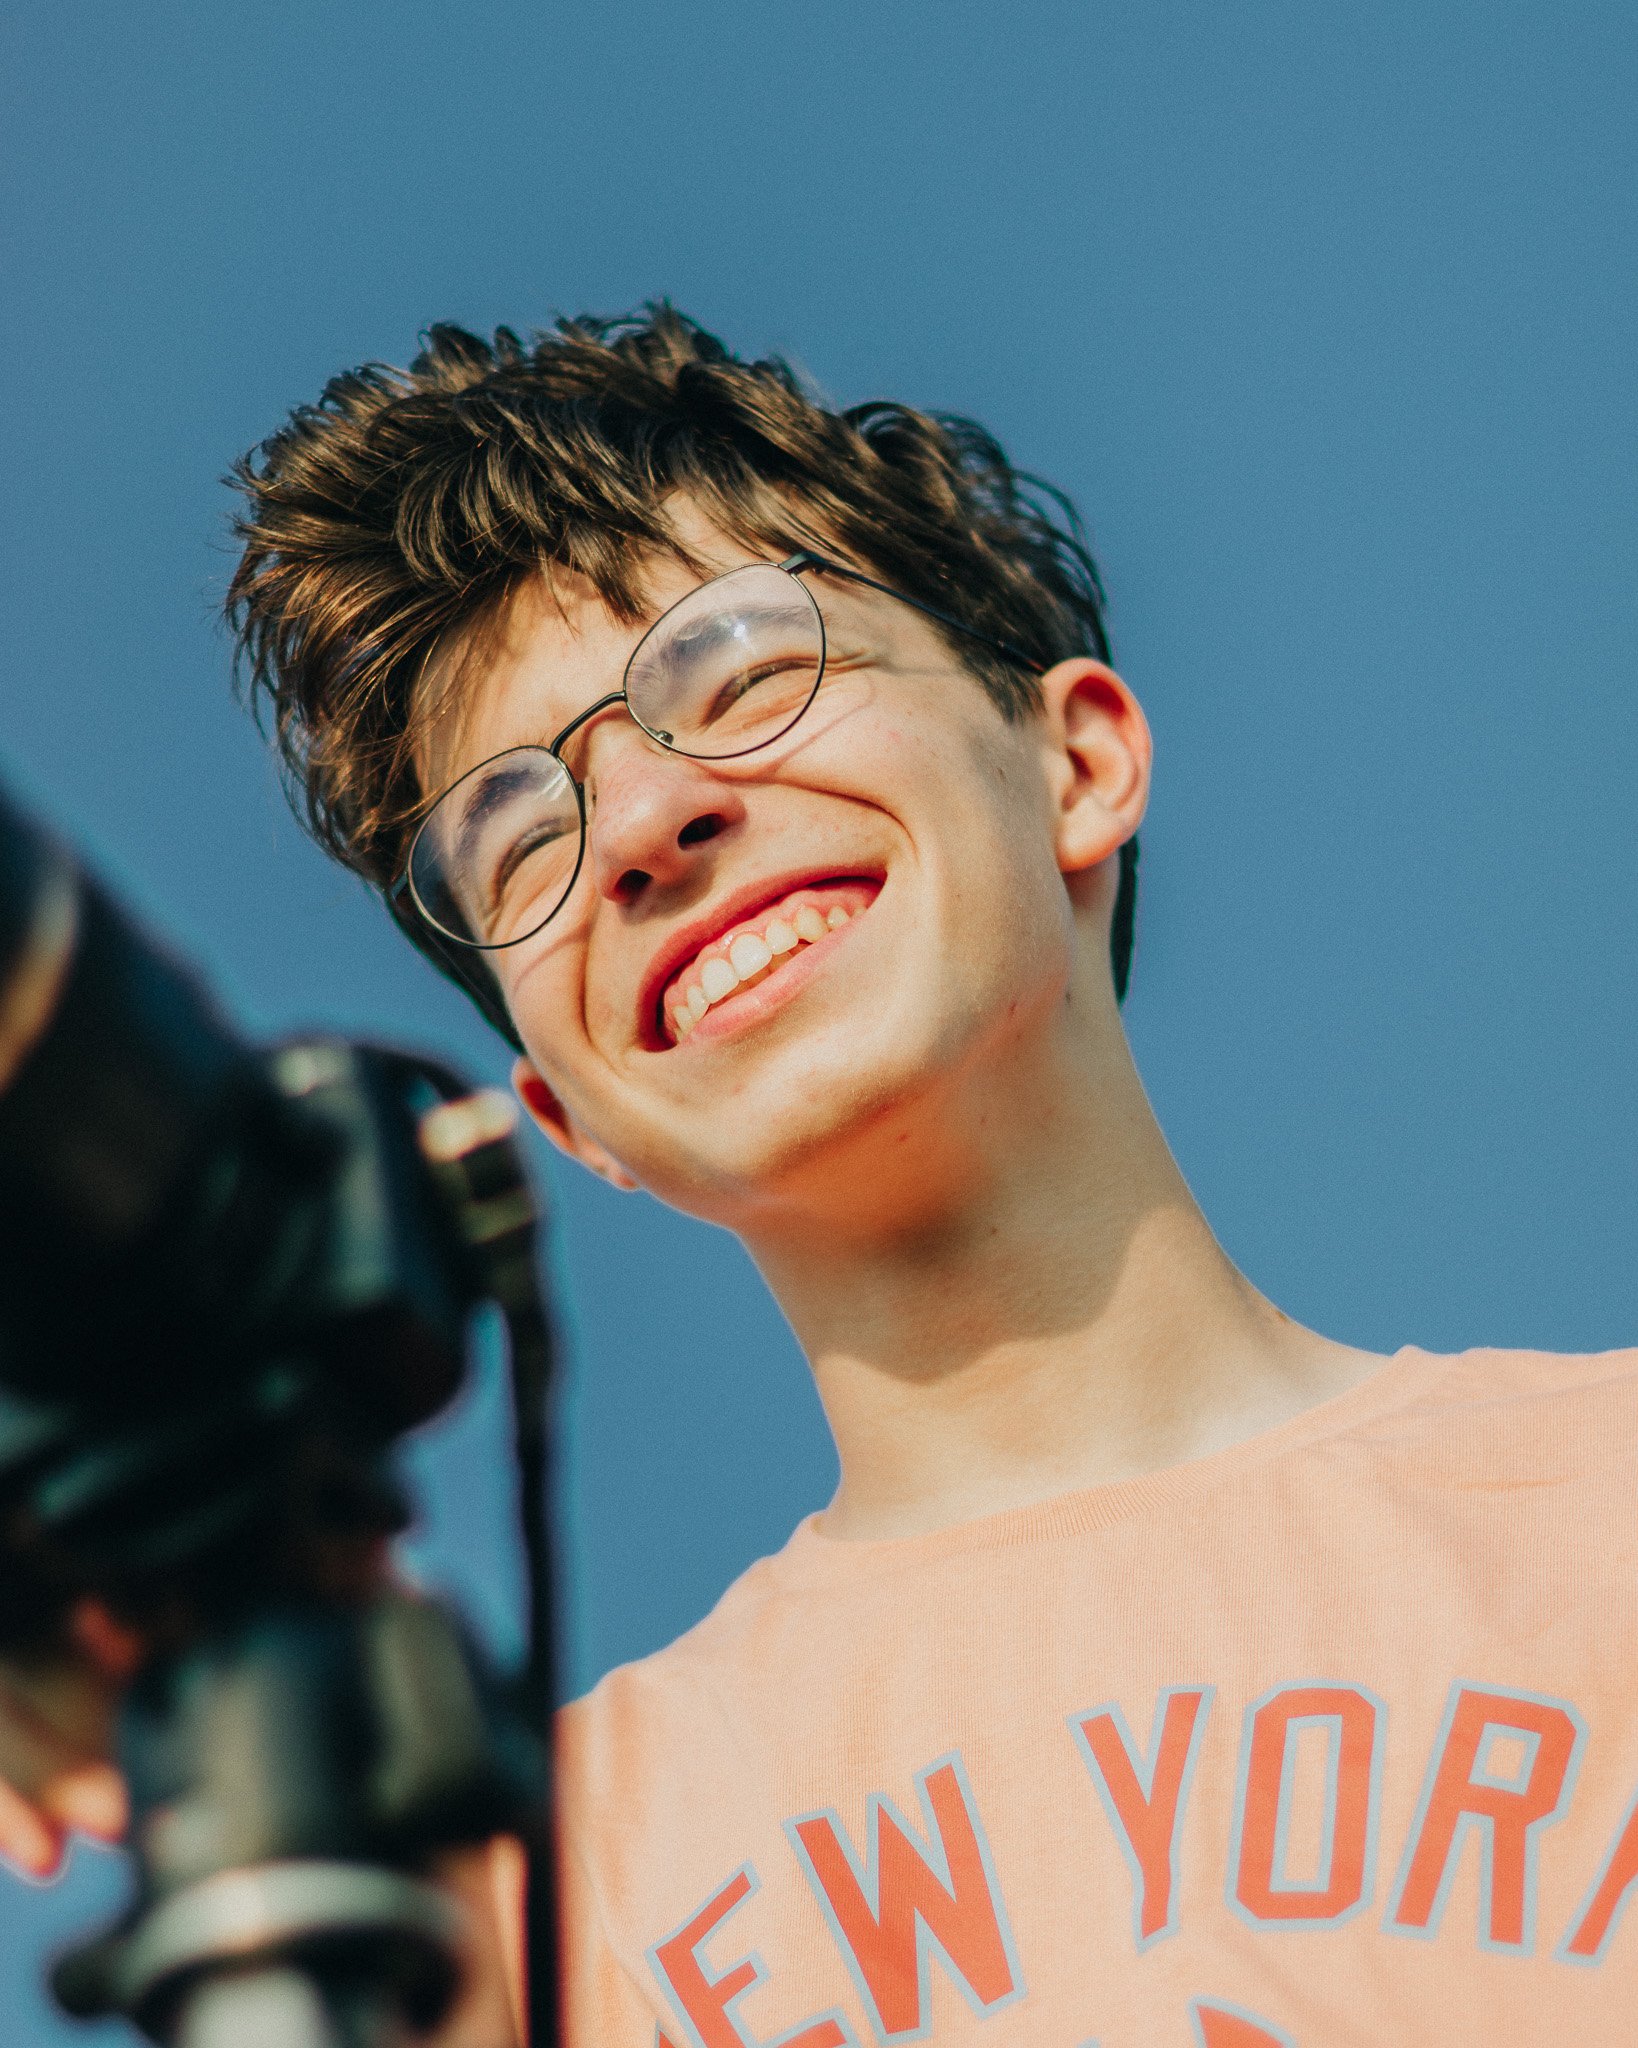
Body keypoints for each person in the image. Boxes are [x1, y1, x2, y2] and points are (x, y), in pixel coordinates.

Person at [7, 306, 1638, 2045]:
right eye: (519, 837)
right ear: (567, 1118)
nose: (638, 825)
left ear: (1074, 759)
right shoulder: (534, 1899)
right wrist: (204, 1688)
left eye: (738, 672)